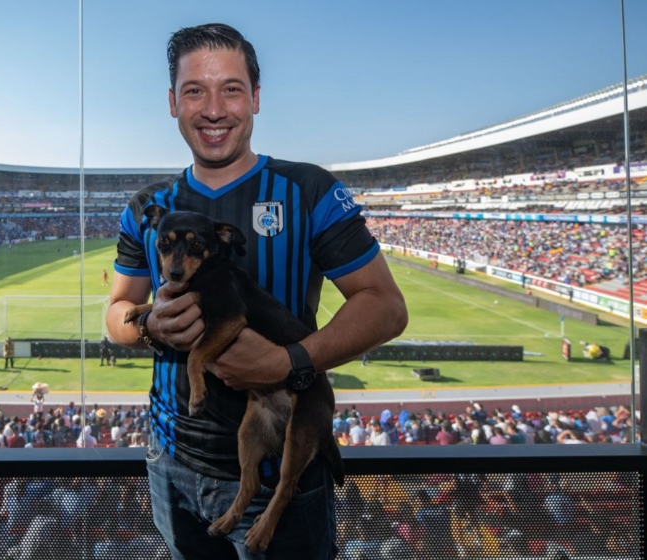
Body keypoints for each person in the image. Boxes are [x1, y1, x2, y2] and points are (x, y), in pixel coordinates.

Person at [105, 23, 407, 559]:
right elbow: (117, 314)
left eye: (232, 89)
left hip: (283, 472)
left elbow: (384, 307)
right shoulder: (146, 206)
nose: (213, 108)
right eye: (195, 90)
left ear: (256, 99)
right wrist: (148, 325)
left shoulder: (307, 189)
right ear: (173, 102)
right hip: (170, 465)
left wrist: (286, 362)